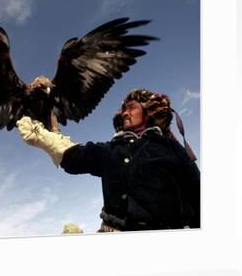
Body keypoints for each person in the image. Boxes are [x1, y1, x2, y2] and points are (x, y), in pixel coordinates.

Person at [16, 88, 200, 232]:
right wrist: (44, 138)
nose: (124, 112)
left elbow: (198, 195)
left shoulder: (171, 148)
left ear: (148, 111)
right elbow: (74, 157)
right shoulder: (111, 150)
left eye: (131, 107)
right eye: (123, 109)